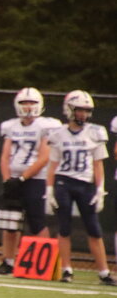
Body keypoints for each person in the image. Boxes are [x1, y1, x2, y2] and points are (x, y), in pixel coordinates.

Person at [46, 90, 115, 285]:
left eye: (86, 111)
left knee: (94, 229)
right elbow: (52, 164)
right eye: (79, 110)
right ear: (69, 110)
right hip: (63, 182)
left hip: (85, 184)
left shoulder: (95, 132)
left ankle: (103, 272)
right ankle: (67, 270)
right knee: (64, 227)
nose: (83, 114)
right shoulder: (58, 134)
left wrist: (100, 189)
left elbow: (98, 164)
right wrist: (49, 189)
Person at [0, 87, 61, 275]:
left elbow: (45, 156)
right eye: (24, 103)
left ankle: (43, 266)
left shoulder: (47, 125)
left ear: (40, 105)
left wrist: (22, 178)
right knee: (9, 223)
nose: (28, 106)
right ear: (17, 105)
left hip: (36, 179)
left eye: (32, 103)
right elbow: (5, 156)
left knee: (37, 221)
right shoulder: (10, 126)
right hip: (13, 179)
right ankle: (8, 261)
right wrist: (8, 180)